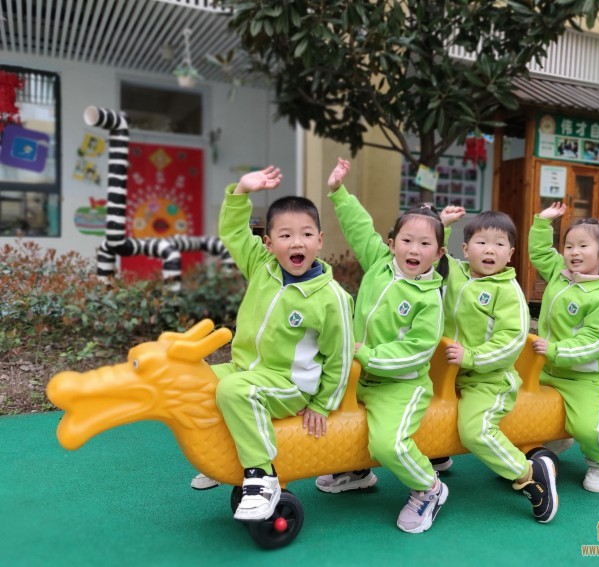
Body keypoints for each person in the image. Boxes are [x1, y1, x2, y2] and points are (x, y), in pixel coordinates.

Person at [191, 166, 355, 520]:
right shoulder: (261, 266)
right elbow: (233, 232)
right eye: (285, 235)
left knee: (234, 392)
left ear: (320, 240)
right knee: (196, 382)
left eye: (306, 234)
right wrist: (241, 193)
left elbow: (339, 357)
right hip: (246, 368)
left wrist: (323, 404)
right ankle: (229, 456)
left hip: (290, 384)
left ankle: (261, 476)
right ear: (268, 242)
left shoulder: (331, 298)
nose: (297, 243)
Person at [316, 158, 449, 534]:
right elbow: (360, 228)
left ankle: (429, 487)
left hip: (399, 384)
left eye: (425, 244)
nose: (414, 249)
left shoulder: (429, 299)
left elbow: (416, 351)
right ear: (392, 244)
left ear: (438, 254)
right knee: (321, 407)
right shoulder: (379, 263)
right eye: (407, 240)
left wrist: (365, 354)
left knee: (389, 444)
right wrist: (338, 191)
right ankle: (355, 471)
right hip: (359, 373)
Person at [438, 206, 558, 523]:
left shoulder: (507, 292)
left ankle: (530, 475)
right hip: (446, 372)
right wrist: (443, 225)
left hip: (488, 378)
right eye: (481, 242)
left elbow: (511, 341)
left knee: (474, 430)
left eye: (499, 244)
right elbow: (430, 257)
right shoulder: (456, 272)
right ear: (465, 249)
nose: (490, 249)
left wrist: (472, 357)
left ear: (511, 253)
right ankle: (431, 455)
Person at [529, 202, 599, 493]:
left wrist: (554, 350)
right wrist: (542, 223)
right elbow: (539, 253)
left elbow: (596, 341)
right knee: (515, 400)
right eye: (569, 246)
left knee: (587, 426)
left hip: (586, 376)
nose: (573, 252)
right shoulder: (560, 272)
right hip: (548, 366)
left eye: (583, 246)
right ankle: (555, 439)